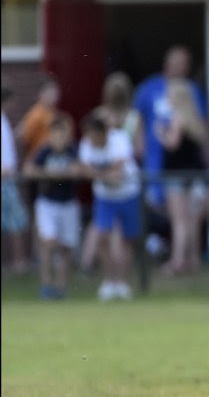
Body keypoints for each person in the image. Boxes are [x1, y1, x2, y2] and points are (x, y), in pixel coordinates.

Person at [81, 72, 144, 274]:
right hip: (106, 184)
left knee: (122, 236)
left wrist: (119, 151)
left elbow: (137, 150)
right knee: (103, 232)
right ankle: (93, 267)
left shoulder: (132, 119)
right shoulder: (100, 117)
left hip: (125, 182)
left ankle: (114, 277)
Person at [134, 45, 207, 212]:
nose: (179, 67)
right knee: (157, 209)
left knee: (182, 216)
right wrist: (136, 145)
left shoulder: (192, 90)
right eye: (176, 62)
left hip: (180, 163)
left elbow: (202, 124)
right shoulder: (149, 87)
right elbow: (134, 119)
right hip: (153, 160)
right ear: (167, 62)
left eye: (183, 63)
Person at [78, 112, 141, 301]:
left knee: (127, 240)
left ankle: (123, 282)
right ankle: (109, 281)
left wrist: (98, 173)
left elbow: (118, 168)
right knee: (103, 237)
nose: (91, 139)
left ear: (103, 133)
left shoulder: (119, 140)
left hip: (128, 194)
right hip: (105, 197)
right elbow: (85, 169)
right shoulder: (86, 145)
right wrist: (105, 175)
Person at [23, 114, 81, 299]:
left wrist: (65, 173)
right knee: (48, 242)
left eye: (63, 134)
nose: (60, 138)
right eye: (57, 134)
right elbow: (29, 169)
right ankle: (46, 285)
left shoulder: (73, 150)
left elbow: (79, 169)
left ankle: (61, 287)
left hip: (68, 203)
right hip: (48, 202)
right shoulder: (45, 151)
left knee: (65, 247)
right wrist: (49, 173)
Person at [156, 78, 209, 275]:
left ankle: (177, 260)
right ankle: (193, 258)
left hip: (177, 175)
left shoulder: (177, 118)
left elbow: (173, 144)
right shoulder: (195, 119)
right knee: (192, 220)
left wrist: (161, 133)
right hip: (194, 176)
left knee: (179, 220)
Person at [1, 87, 30, 273]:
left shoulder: (4, 121)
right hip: (4, 178)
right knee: (15, 221)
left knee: (15, 221)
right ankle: (18, 263)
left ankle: (18, 264)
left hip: (8, 177)